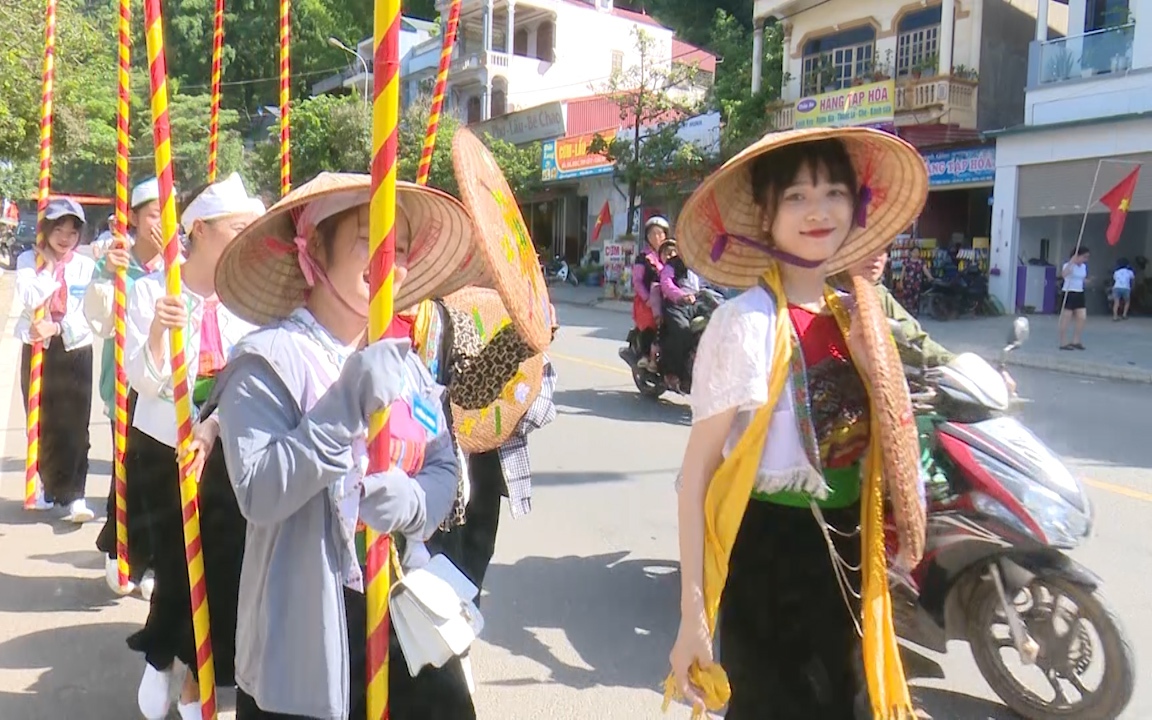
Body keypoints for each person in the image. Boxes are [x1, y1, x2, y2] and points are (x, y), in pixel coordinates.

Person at [666, 128, 928, 719]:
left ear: (855, 207)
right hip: (768, 567)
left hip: (851, 563)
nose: (818, 211)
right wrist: (693, 616)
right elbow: (696, 477)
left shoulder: (859, 319)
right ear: (765, 214)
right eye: (796, 197)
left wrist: (868, 360)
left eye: (834, 192)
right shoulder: (743, 324)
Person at [205, 173, 478, 720]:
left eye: (399, 249)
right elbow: (259, 492)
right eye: (366, 240)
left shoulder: (406, 362)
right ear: (313, 251)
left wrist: (417, 499)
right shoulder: (264, 363)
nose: (387, 260)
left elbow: (445, 462)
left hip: (399, 611)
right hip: (304, 634)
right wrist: (344, 403)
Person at [123, 173, 265, 720]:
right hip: (163, 446)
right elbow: (143, 378)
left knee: (222, 564)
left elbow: (250, 382)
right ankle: (167, 660)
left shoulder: (249, 300)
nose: (247, 236)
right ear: (200, 230)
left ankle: (199, 679)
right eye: (238, 227)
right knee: (178, 568)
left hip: (224, 451)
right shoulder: (152, 290)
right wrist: (159, 333)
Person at [85, 178, 165, 596]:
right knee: (127, 468)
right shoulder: (117, 262)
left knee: (156, 475)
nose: (161, 224)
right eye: (153, 214)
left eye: (168, 215)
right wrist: (107, 275)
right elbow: (97, 320)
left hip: (165, 389)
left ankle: (149, 558)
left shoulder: (178, 266)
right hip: (123, 382)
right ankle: (123, 549)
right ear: (134, 218)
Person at [14, 197, 97, 521]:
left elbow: (87, 313)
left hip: (75, 347)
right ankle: (50, 486)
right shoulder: (27, 260)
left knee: (76, 424)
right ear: (46, 229)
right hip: (38, 347)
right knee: (42, 420)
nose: (65, 237)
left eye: (72, 231)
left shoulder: (85, 265)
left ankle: (75, 494)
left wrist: (58, 325)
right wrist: (47, 267)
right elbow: (30, 296)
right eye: (58, 229)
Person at [632, 215, 669, 369]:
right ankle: (645, 355)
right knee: (651, 323)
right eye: (653, 234)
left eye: (660, 233)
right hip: (646, 301)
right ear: (647, 237)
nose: (657, 237)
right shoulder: (643, 258)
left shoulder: (669, 255)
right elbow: (637, 281)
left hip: (667, 299)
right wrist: (647, 298)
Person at [1059, 247, 1090, 350]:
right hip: (1069, 292)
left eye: (1087, 257)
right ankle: (1063, 342)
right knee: (1066, 318)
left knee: (1082, 317)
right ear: (1077, 256)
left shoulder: (1083, 267)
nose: (1085, 259)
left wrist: (1087, 281)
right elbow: (1064, 275)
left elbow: (1081, 278)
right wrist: (1072, 262)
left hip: (1079, 292)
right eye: (1084, 257)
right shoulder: (1068, 266)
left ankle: (1076, 340)